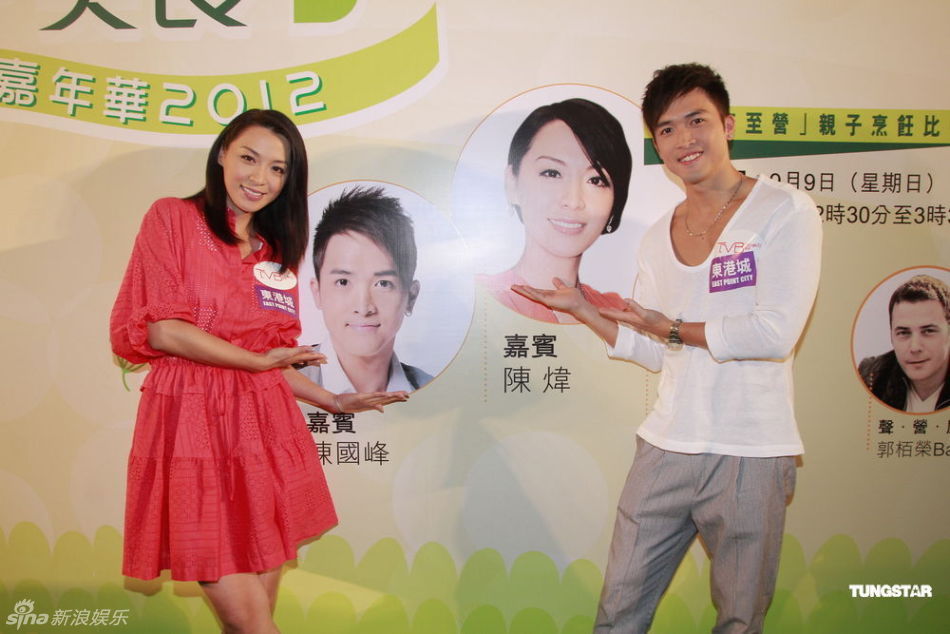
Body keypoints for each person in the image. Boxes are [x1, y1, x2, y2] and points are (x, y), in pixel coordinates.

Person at [514, 64, 822, 632]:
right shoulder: (658, 235)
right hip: (666, 445)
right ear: (657, 145)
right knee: (618, 612)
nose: (684, 139)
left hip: (752, 450)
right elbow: (657, 348)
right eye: (667, 129)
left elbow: (775, 333)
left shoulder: (784, 210)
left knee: (740, 619)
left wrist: (673, 327)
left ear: (728, 125)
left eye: (696, 120)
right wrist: (583, 310)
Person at [110, 109, 408, 633]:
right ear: (223, 153)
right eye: (249, 158)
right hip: (192, 425)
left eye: (277, 169)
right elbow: (163, 331)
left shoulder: (274, 254)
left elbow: (272, 356)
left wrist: (334, 401)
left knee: (246, 623)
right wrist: (255, 361)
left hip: (263, 430)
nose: (260, 178)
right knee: (254, 625)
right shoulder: (172, 218)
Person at [477, 98, 633, 323]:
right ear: (512, 183)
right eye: (552, 173)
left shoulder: (618, 312)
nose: (574, 201)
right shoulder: (482, 299)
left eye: (596, 180)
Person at [302, 186, 433, 393]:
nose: (363, 308)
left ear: (411, 297)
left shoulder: (434, 392)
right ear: (317, 292)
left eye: (383, 284)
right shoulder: (278, 384)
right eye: (343, 282)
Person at [858, 274, 950, 413]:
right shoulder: (871, 377)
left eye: (928, 331)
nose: (915, 347)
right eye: (903, 333)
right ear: (891, 336)